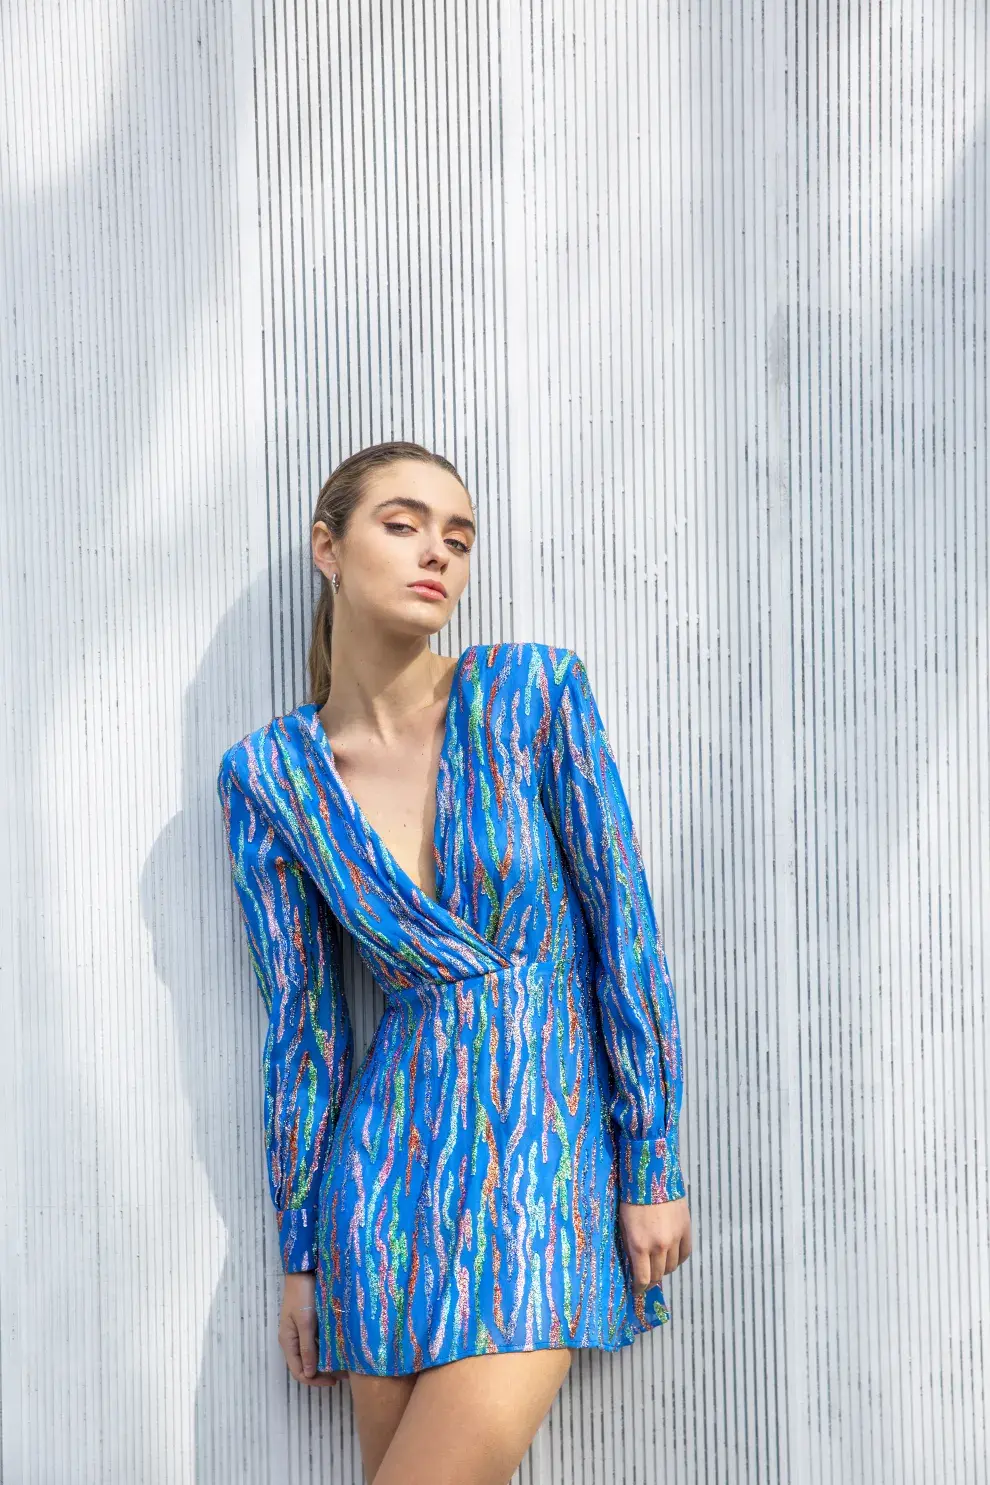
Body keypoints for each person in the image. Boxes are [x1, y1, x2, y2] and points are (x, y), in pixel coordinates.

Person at [216, 440, 692, 1485]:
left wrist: (650, 1156)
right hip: (380, 1189)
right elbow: (301, 1024)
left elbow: (626, 927)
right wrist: (301, 1249)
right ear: (326, 548)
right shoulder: (271, 777)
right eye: (404, 523)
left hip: (545, 1161)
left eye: (459, 536)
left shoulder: (532, 693)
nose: (439, 551)